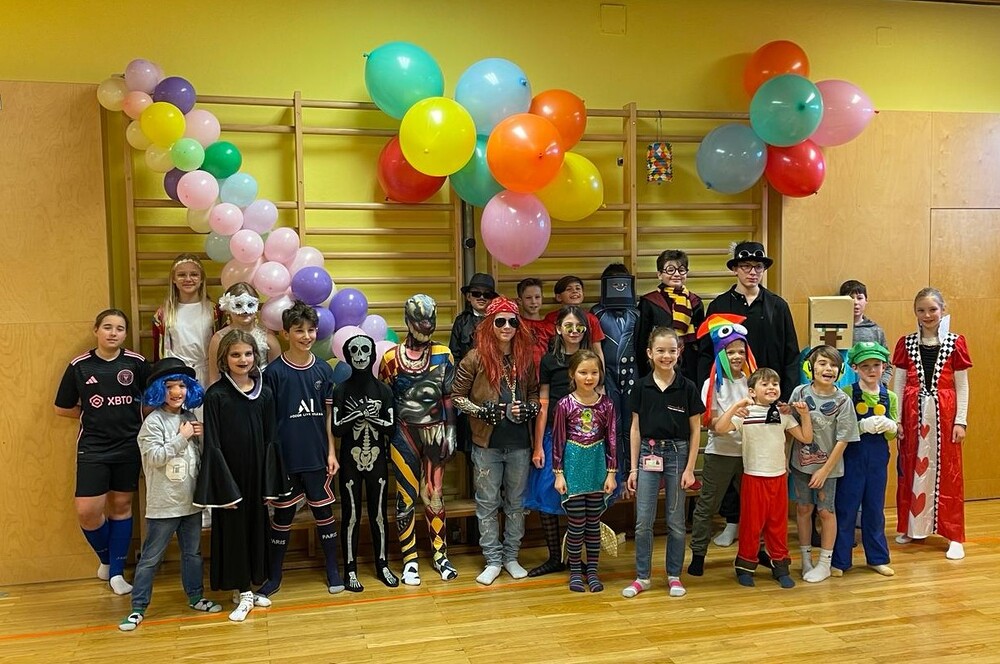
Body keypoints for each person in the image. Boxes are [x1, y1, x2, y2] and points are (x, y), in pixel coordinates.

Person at [119, 358, 222, 631]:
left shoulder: (190, 417)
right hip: (164, 505)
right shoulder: (153, 422)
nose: (177, 392)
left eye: (182, 386)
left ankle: (196, 597)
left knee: (193, 554)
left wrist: (201, 436)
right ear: (158, 390)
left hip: (191, 503)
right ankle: (138, 607)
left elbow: (199, 460)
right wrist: (182, 437)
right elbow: (154, 457)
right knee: (151, 558)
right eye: (169, 387)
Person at [194, 330, 288, 622]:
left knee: (256, 530)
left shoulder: (265, 394)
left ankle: (246, 588)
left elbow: (271, 439)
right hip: (231, 478)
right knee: (234, 533)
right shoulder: (216, 395)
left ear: (255, 356)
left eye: (247, 354)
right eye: (235, 354)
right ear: (224, 359)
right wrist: (223, 487)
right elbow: (213, 443)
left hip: (256, 475)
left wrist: (269, 483)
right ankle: (244, 591)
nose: (242, 359)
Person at [55, 309, 150, 596]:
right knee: (87, 512)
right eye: (107, 327)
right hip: (93, 447)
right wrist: (93, 415)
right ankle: (107, 560)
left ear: (125, 334)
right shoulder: (80, 366)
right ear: (96, 330)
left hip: (128, 445)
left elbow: (151, 401)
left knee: (121, 506)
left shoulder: (136, 363)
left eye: (119, 328)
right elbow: (62, 407)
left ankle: (117, 574)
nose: (113, 333)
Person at [257, 302, 344, 597]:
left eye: (311, 330)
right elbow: (269, 422)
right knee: (282, 517)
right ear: (285, 334)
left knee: (324, 513)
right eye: (299, 331)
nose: (306, 336)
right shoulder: (273, 373)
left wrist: (331, 452)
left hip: (317, 456)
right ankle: (274, 576)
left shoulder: (322, 369)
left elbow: (328, 416)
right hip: (286, 459)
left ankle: (333, 570)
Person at [452, 296, 540, 585]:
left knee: (516, 503)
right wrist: (480, 411)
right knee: (487, 503)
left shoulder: (525, 357)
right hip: (486, 443)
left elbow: (534, 393)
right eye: (500, 321)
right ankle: (492, 559)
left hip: (519, 443)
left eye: (512, 321)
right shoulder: (475, 357)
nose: (506, 326)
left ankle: (511, 557)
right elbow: (457, 396)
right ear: (490, 324)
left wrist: (530, 408)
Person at [379, 294, 459, 585]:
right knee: (406, 496)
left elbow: (449, 397)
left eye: (430, 319)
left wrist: (451, 432)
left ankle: (440, 555)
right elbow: (385, 401)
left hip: (435, 432)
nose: (426, 325)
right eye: (420, 320)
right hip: (404, 432)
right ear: (408, 320)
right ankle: (409, 558)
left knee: (434, 494)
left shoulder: (443, 354)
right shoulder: (391, 358)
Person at [622, 327, 704, 599]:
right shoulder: (641, 386)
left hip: (678, 455)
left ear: (679, 352)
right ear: (649, 353)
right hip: (648, 453)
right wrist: (633, 468)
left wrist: (690, 468)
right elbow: (635, 428)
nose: (666, 356)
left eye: (672, 350)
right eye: (660, 350)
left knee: (676, 521)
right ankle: (642, 577)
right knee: (643, 521)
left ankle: (673, 575)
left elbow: (695, 430)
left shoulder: (687, 387)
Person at [892, 287, 972, 560]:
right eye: (921, 310)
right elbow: (899, 382)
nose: (927, 315)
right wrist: (897, 418)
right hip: (912, 415)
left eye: (932, 309)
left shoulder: (955, 342)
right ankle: (912, 526)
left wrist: (960, 420)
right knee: (910, 469)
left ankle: (953, 534)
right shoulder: (906, 343)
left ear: (943, 310)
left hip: (945, 416)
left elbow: (962, 385)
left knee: (948, 474)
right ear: (915, 312)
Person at [714, 368, 812, 588]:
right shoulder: (745, 414)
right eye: (765, 384)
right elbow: (720, 428)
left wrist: (805, 415)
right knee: (751, 525)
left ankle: (780, 566)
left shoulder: (783, 414)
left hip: (778, 478)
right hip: (753, 478)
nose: (771, 388)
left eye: (775, 384)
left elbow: (806, 437)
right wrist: (736, 406)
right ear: (752, 391)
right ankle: (745, 566)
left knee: (778, 524)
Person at [523, 305, 592, 577]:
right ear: (558, 329)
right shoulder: (549, 361)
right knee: (547, 493)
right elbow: (542, 405)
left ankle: (577, 557)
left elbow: (599, 402)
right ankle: (554, 557)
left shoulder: (590, 359)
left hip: (584, 440)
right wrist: (538, 445)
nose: (574, 331)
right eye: (568, 326)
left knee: (582, 498)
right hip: (554, 435)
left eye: (579, 327)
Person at [687, 314, 757, 577]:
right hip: (721, 454)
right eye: (730, 351)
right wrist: (735, 411)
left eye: (741, 351)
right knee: (707, 506)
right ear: (720, 354)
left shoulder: (754, 381)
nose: (737, 356)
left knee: (754, 507)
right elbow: (713, 424)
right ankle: (698, 554)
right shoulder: (712, 384)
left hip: (751, 454)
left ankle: (754, 552)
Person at [330, 330, 399, 591]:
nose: (360, 356)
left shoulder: (384, 390)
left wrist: (370, 417)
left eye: (365, 350)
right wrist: (357, 415)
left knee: (378, 514)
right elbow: (337, 428)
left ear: (372, 354)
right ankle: (350, 569)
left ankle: (382, 564)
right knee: (350, 515)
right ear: (348, 356)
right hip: (350, 461)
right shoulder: (341, 390)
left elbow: (391, 428)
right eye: (355, 351)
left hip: (378, 460)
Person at [789, 345, 860, 583]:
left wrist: (824, 471)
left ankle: (825, 563)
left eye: (833, 365)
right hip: (800, 464)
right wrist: (785, 459)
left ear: (840, 371)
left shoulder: (843, 400)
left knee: (825, 511)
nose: (828, 369)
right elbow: (790, 427)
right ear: (810, 367)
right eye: (822, 363)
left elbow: (843, 440)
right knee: (803, 509)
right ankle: (806, 559)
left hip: (828, 469)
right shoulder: (799, 392)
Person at [697, 241, 799, 402]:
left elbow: (791, 355)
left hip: (769, 392)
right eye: (746, 266)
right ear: (735, 269)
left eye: (758, 267)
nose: (753, 272)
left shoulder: (778, 306)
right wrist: (708, 394)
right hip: (729, 393)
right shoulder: (719, 306)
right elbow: (706, 354)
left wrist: (787, 397)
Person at [552, 349, 617, 592]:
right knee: (577, 524)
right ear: (572, 374)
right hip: (573, 467)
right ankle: (575, 572)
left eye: (594, 372)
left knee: (593, 524)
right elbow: (558, 440)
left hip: (597, 467)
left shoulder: (607, 404)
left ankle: (592, 571)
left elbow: (612, 440)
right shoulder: (564, 404)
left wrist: (611, 472)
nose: (589, 378)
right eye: (583, 372)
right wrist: (559, 473)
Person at [831, 342, 897, 578]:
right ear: (855, 367)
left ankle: (877, 558)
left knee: (875, 509)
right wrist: (860, 426)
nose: (871, 370)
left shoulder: (889, 396)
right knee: (846, 508)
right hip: (852, 458)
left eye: (876, 365)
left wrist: (891, 426)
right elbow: (838, 428)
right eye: (865, 366)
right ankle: (840, 561)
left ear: (884, 367)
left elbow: (893, 432)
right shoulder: (846, 393)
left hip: (878, 460)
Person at [590, 263, 640, 493]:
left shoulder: (636, 312)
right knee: (612, 424)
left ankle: (632, 473)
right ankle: (614, 474)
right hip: (607, 376)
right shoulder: (596, 313)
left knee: (632, 424)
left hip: (632, 376)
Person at [636, 249, 705, 384]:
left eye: (681, 270)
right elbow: (642, 341)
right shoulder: (649, 302)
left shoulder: (695, 302)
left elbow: (700, 340)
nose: (677, 274)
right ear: (659, 274)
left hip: (689, 366)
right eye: (670, 270)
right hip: (657, 365)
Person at [151, 253, 221, 386]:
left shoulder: (214, 311)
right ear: (173, 279)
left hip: (208, 374)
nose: (188, 279)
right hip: (177, 377)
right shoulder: (163, 314)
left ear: (201, 279)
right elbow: (159, 353)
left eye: (194, 274)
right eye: (181, 275)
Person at [206, 282, 281, 386]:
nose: (245, 310)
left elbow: (276, 376)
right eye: (238, 305)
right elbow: (214, 377)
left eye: (250, 305)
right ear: (228, 308)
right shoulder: (218, 339)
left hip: (262, 391)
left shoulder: (268, 337)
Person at [542, 275, 606, 367]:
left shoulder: (591, 319)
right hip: (557, 364)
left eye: (578, 288)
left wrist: (601, 373)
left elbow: (597, 350)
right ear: (559, 297)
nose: (575, 291)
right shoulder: (551, 318)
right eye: (569, 289)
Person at [839, 280, 892, 386]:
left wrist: (882, 384)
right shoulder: (835, 330)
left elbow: (887, 364)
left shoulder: (875, 330)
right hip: (842, 388)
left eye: (859, 298)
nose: (855, 302)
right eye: (850, 298)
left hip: (870, 389)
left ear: (866, 300)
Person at [450, 272, 497, 368]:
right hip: (466, 373)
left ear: (492, 299)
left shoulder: (499, 321)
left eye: (487, 294)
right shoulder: (461, 321)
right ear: (468, 296)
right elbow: (454, 355)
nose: (481, 297)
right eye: (476, 293)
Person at [516, 277, 549, 373]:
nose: (533, 301)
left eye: (537, 297)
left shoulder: (550, 326)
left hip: (546, 375)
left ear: (542, 298)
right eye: (528, 298)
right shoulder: (515, 324)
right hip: (522, 374)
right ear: (520, 301)